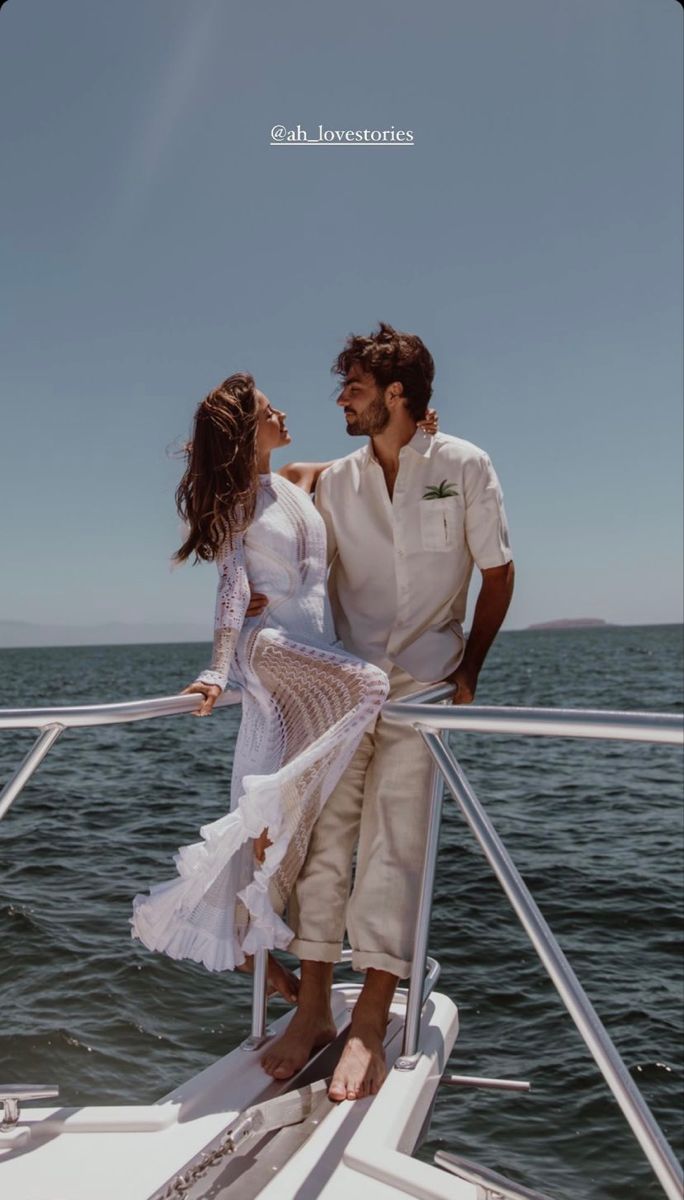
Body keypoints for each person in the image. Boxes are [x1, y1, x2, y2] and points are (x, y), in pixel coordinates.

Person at [259, 323, 515, 1101]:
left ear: (398, 395)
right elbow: (279, 482)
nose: (341, 397)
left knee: (397, 844)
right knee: (326, 840)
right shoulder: (333, 479)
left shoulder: (464, 466)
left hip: (426, 686)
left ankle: (368, 1021)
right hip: (346, 684)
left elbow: (498, 574)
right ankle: (311, 1011)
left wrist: (470, 668)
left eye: (356, 387)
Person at [130, 374, 391, 1001]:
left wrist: (419, 436)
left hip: (312, 650)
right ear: (249, 433)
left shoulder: (299, 478)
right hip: (270, 648)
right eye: (272, 412)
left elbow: (370, 460)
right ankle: (267, 834)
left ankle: (252, 937)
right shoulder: (235, 505)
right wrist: (218, 669)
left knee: (279, 775)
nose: (285, 415)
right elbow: (232, 591)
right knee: (371, 687)